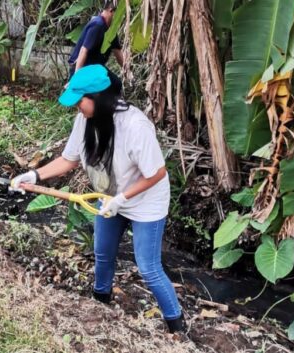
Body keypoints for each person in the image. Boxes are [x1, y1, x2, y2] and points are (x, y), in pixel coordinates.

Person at [11, 65, 184, 333]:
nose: (77, 107)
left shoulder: (135, 126)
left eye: (80, 101)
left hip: (145, 202)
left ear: (99, 98)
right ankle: (99, 302)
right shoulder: (85, 120)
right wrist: (34, 175)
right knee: (103, 254)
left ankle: (176, 324)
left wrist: (122, 198)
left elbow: (157, 173)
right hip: (109, 195)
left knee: (148, 268)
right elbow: (68, 159)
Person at [67, 0, 123, 79]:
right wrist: (77, 77)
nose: (120, 18)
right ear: (111, 11)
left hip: (95, 68)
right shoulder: (97, 25)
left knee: (116, 84)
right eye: (119, 14)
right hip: (82, 68)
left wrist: (128, 72)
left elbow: (118, 52)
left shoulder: (110, 30)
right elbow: (83, 50)